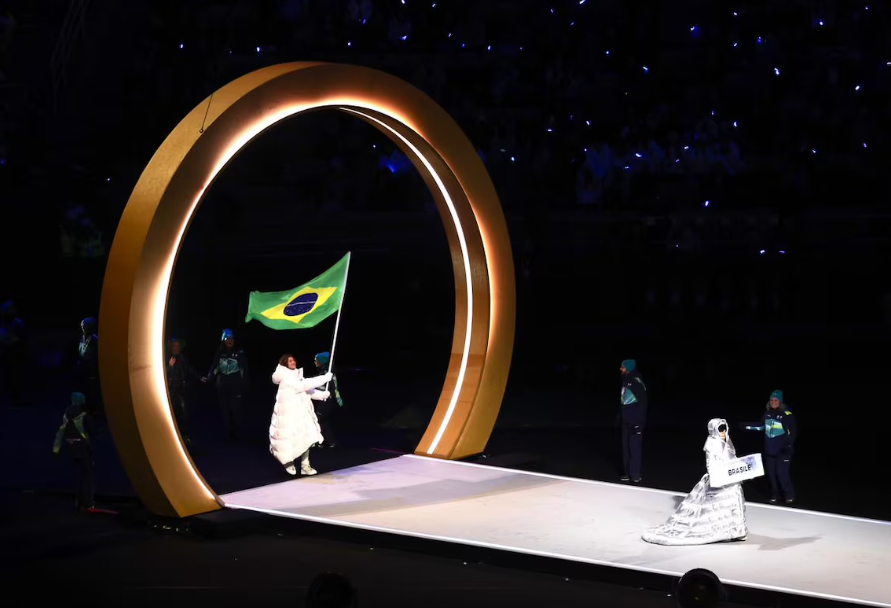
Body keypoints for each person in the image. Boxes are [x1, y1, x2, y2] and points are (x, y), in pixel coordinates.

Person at [642, 418, 748, 545]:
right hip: (719, 478)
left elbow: (732, 457)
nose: (723, 431)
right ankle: (722, 530)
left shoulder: (727, 441)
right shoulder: (712, 443)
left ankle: (737, 530)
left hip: (730, 478)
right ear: (714, 430)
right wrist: (717, 475)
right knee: (716, 507)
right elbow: (710, 463)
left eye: (724, 429)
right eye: (720, 429)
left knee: (734, 503)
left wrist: (739, 468)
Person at [269, 354, 332, 476]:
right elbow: (303, 385)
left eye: (293, 360)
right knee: (288, 440)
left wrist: (322, 395)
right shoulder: (286, 378)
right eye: (289, 361)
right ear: (284, 364)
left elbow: (307, 391)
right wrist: (324, 378)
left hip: (301, 414)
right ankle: (288, 462)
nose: (293, 362)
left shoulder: (297, 376)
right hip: (288, 416)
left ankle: (305, 465)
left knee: (307, 437)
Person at [740, 390, 796, 504]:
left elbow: (793, 432)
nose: (773, 402)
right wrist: (746, 426)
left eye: (776, 400)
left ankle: (789, 495)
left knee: (782, 474)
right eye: (771, 400)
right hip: (770, 451)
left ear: (780, 401)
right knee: (771, 475)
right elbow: (761, 427)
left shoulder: (787, 414)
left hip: (783, 451)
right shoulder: (767, 414)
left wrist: (788, 445)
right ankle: (775, 495)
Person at [53, 392, 96, 512]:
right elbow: (93, 429)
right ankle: (88, 503)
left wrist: (56, 449)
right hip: (83, 448)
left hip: (71, 447)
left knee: (78, 476)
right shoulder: (83, 415)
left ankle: (78, 502)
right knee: (88, 476)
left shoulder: (66, 415)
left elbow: (60, 432)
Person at [206, 329, 249, 441]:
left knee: (236, 409)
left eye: (232, 339)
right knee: (225, 410)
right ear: (223, 340)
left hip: (235, 386)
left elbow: (244, 369)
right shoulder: (219, 352)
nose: (230, 341)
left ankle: (238, 433)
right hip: (222, 386)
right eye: (227, 339)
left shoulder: (239, 352)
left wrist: (244, 384)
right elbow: (215, 366)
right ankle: (228, 434)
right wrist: (209, 377)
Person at [166, 337, 205, 446]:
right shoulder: (166, 358)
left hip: (180, 392)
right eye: (174, 346)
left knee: (183, 414)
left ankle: (184, 438)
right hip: (170, 393)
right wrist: (169, 366)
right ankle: (172, 439)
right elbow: (162, 373)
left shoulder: (182, 358)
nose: (176, 348)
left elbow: (189, 369)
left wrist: (199, 377)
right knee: (171, 416)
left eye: (178, 346)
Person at [619, 359, 647, 482]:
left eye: (623, 367)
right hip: (626, 420)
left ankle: (635, 474)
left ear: (628, 368)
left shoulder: (637, 383)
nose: (621, 369)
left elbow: (642, 404)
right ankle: (627, 472)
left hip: (635, 421)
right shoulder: (626, 381)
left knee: (634, 448)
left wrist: (639, 422)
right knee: (625, 448)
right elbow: (624, 402)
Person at [313, 351, 343, 448]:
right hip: (326, 399)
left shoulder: (327, 372)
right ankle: (329, 441)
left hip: (328, 400)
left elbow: (329, 387)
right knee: (323, 421)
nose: (314, 362)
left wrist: (311, 387)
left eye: (316, 360)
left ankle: (319, 440)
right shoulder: (324, 371)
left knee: (318, 419)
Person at [75, 317, 102, 417]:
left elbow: (96, 354)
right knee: (83, 387)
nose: (82, 327)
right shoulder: (82, 337)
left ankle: (93, 409)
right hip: (82, 367)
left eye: (85, 325)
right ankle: (84, 407)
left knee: (92, 389)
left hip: (90, 367)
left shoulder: (95, 339)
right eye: (82, 325)